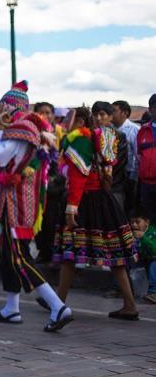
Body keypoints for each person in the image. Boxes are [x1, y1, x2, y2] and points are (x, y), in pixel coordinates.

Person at [0, 81, 72, 332]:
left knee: (19, 257)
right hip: (18, 201)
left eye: (3, 106)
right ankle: (11, 308)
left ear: (9, 108)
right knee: (9, 256)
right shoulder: (34, 129)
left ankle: (57, 306)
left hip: (16, 203)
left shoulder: (20, 130)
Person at [52, 106, 139, 321]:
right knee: (115, 256)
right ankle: (129, 304)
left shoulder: (79, 141)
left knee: (69, 254)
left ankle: (57, 302)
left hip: (85, 201)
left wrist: (71, 208)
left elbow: (78, 179)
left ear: (80, 121)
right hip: (104, 200)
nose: (65, 124)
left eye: (70, 120)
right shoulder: (98, 139)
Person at [33, 101, 66, 263]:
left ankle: (52, 252)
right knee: (38, 217)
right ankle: (42, 251)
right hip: (35, 180)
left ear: (53, 115)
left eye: (48, 112)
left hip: (54, 181)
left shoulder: (59, 132)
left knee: (52, 218)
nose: (45, 115)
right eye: (41, 112)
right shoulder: (32, 132)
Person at [113, 100, 140, 215]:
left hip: (129, 175)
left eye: (114, 111)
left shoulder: (134, 129)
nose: (111, 113)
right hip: (114, 175)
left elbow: (137, 155)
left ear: (125, 113)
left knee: (129, 205)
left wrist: (134, 176)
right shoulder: (109, 130)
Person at [137, 94, 156, 222]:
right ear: (150, 109)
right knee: (149, 218)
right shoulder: (143, 130)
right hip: (146, 185)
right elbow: (137, 155)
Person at [130, 213, 156, 304]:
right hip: (144, 259)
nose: (134, 225)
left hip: (153, 258)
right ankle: (122, 289)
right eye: (132, 222)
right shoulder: (131, 233)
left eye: (137, 222)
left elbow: (154, 250)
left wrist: (143, 238)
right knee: (126, 261)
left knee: (154, 263)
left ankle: (154, 293)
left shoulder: (153, 231)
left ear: (147, 222)